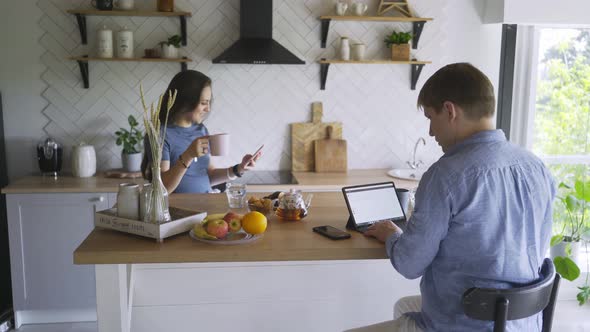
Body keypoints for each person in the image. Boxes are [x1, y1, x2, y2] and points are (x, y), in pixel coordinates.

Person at [348, 63, 556, 332]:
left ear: (449, 111)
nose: (431, 132)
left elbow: (410, 264)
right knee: (405, 306)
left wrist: (391, 234)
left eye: (430, 118)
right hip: (523, 323)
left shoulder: (445, 176)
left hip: (463, 325)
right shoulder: (536, 166)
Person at [141, 70, 261, 193]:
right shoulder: (159, 135)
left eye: (209, 103)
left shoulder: (201, 130)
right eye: (204, 103)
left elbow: (209, 175)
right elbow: (163, 189)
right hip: (178, 210)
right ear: (185, 101)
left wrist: (239, 169)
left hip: (205, 204)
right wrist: (188, 155)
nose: (208, 109)